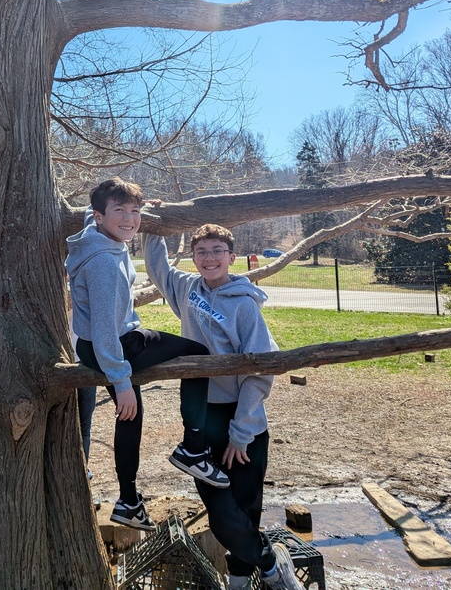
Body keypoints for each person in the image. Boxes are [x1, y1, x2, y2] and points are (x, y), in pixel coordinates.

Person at [142, 222, 304, 589]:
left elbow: (261, 372)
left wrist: (241, 434)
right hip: (204, 418)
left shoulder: (244, 306)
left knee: (245, 506)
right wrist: (153, 227)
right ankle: (269, 563)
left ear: (232, 257)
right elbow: (159, 269)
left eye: (217, 251)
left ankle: (240, 578)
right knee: (220, 512)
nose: (209, 258)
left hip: (243, 418)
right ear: (194, 257)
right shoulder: (187, 290)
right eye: (202, 252)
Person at [65, 178, 229, 532]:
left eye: (135, 212)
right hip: (114, 344)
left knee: (130, 417)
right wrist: (121, 380)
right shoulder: (104, 264)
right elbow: (107, 328)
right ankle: (193, 447)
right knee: (197, 355)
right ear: (99, 216)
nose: (129, 219)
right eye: (119, 212)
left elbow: (94, 215)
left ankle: (128, 501)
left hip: (93, 346)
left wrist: (129, 208)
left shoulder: (96, 236)